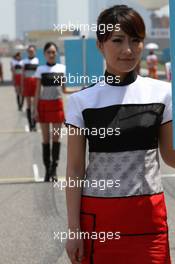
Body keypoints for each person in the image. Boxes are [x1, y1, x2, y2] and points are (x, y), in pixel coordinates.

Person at [64, 5, 173, 264]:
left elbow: (171, 157)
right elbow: (75, 169)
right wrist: (73, 229)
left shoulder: (163, 94)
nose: (128, 49)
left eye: (135, 40)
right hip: (99, 221)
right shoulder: (81, 101)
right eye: (117, 40)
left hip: (148, 222)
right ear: (100, 45)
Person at [34, 42, 66, 182]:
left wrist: (82, 91)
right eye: (49, 52)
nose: (51, 54)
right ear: (45, 54)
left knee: (56, 139)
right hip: (44, 106)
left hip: (57, 105)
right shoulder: (40, 69)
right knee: (46, 140)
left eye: (54, 52)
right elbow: (36, 92)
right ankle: (47, 170)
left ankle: (54, 169)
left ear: (56, 53)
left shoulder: (62, 68)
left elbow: (64, 90)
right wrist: (35, 109)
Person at [22, 45, 39, 131]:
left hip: (35, 83)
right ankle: (30, 124)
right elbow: (22, 74)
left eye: (32, 51)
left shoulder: (37, 61)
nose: (31, 52)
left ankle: (34, 123)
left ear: (35, 52)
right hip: (27, 83)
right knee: (28, 104)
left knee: (34, 104)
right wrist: (22, 86)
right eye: (29, 51)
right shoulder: (24, 61)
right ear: (27, 52)